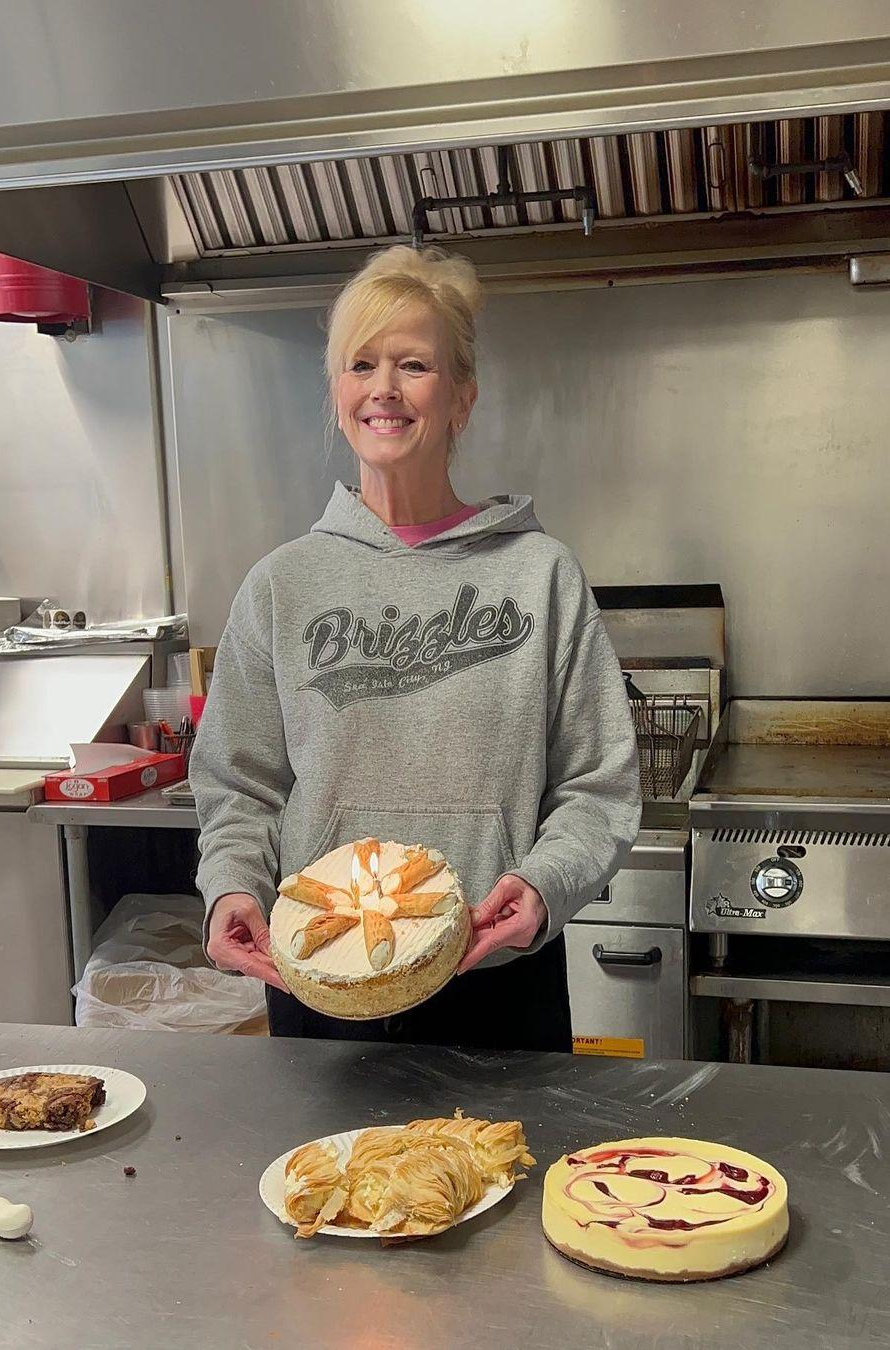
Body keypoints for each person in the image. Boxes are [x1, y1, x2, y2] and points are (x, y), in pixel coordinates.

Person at [190, 244, 640, 1052]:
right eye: (361, 364)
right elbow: (239, 784)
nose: (384, 389)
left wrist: (543, 885)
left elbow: (598, 785)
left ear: (463, 398)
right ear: (337, 396)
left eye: (414, 365)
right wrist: (230, 887)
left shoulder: (540, 574)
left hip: (497, 981)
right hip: (321, 983)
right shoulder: (280, 585)